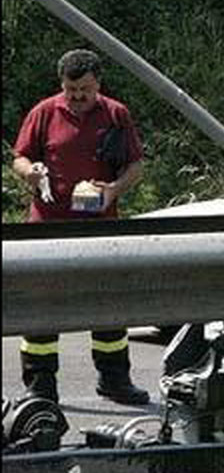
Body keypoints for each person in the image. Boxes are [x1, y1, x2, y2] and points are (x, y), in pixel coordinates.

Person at [10, 49, 151, 404]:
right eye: (71, 90)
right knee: (43, 305)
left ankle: (114, 378)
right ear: (62, 85)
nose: (77, 97)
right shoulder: (44, 112)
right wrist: (31, 171)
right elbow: (20, 157)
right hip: (48, 225)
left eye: (84, 90)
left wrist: (114, 190)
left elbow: (135, 165)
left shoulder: (116, 114)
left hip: (100, 227)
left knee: (106, 303)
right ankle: (40, 384)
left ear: (98, 84)